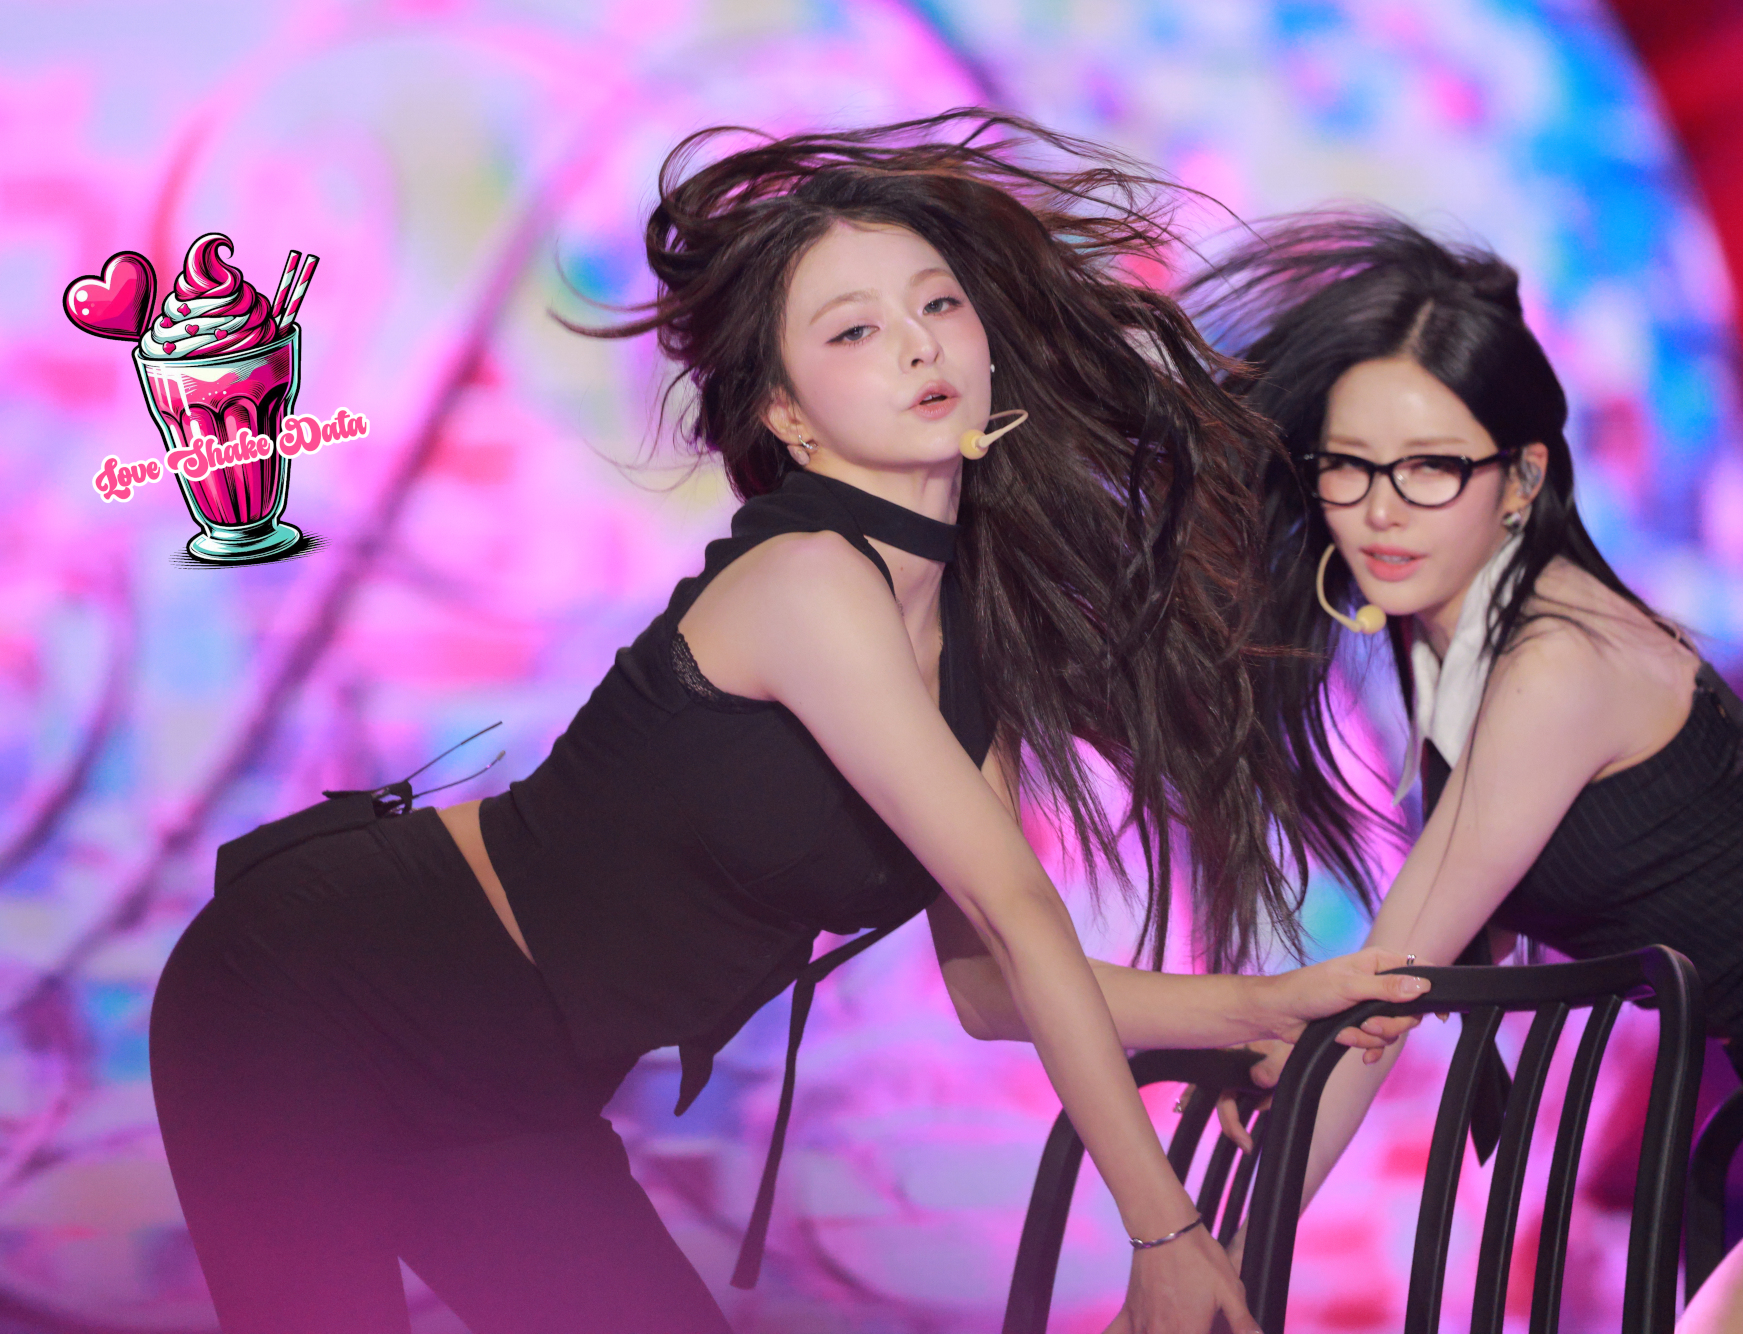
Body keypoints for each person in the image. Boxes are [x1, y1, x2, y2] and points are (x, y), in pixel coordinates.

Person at [147, 115, 1434, 1334]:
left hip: (518, 1073)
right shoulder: (807, 582)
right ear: (787, 415)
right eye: (855, 330)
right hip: (320, 982)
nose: (919, 346)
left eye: (938, 306)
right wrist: (1164, 1231)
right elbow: (1018, 911)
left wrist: (1259, 1006)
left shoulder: (966, 648)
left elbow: (993, 987)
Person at [1185, 212, 1743, 1333]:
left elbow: (1388, 991)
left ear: (1520, 477)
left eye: (1430, 468)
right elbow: (1421, 975)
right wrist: (1286, 1046)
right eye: (1349, 465)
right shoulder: (1448, 646)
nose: (1380, 510)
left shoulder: (1553, 665)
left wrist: (1219, 1262)